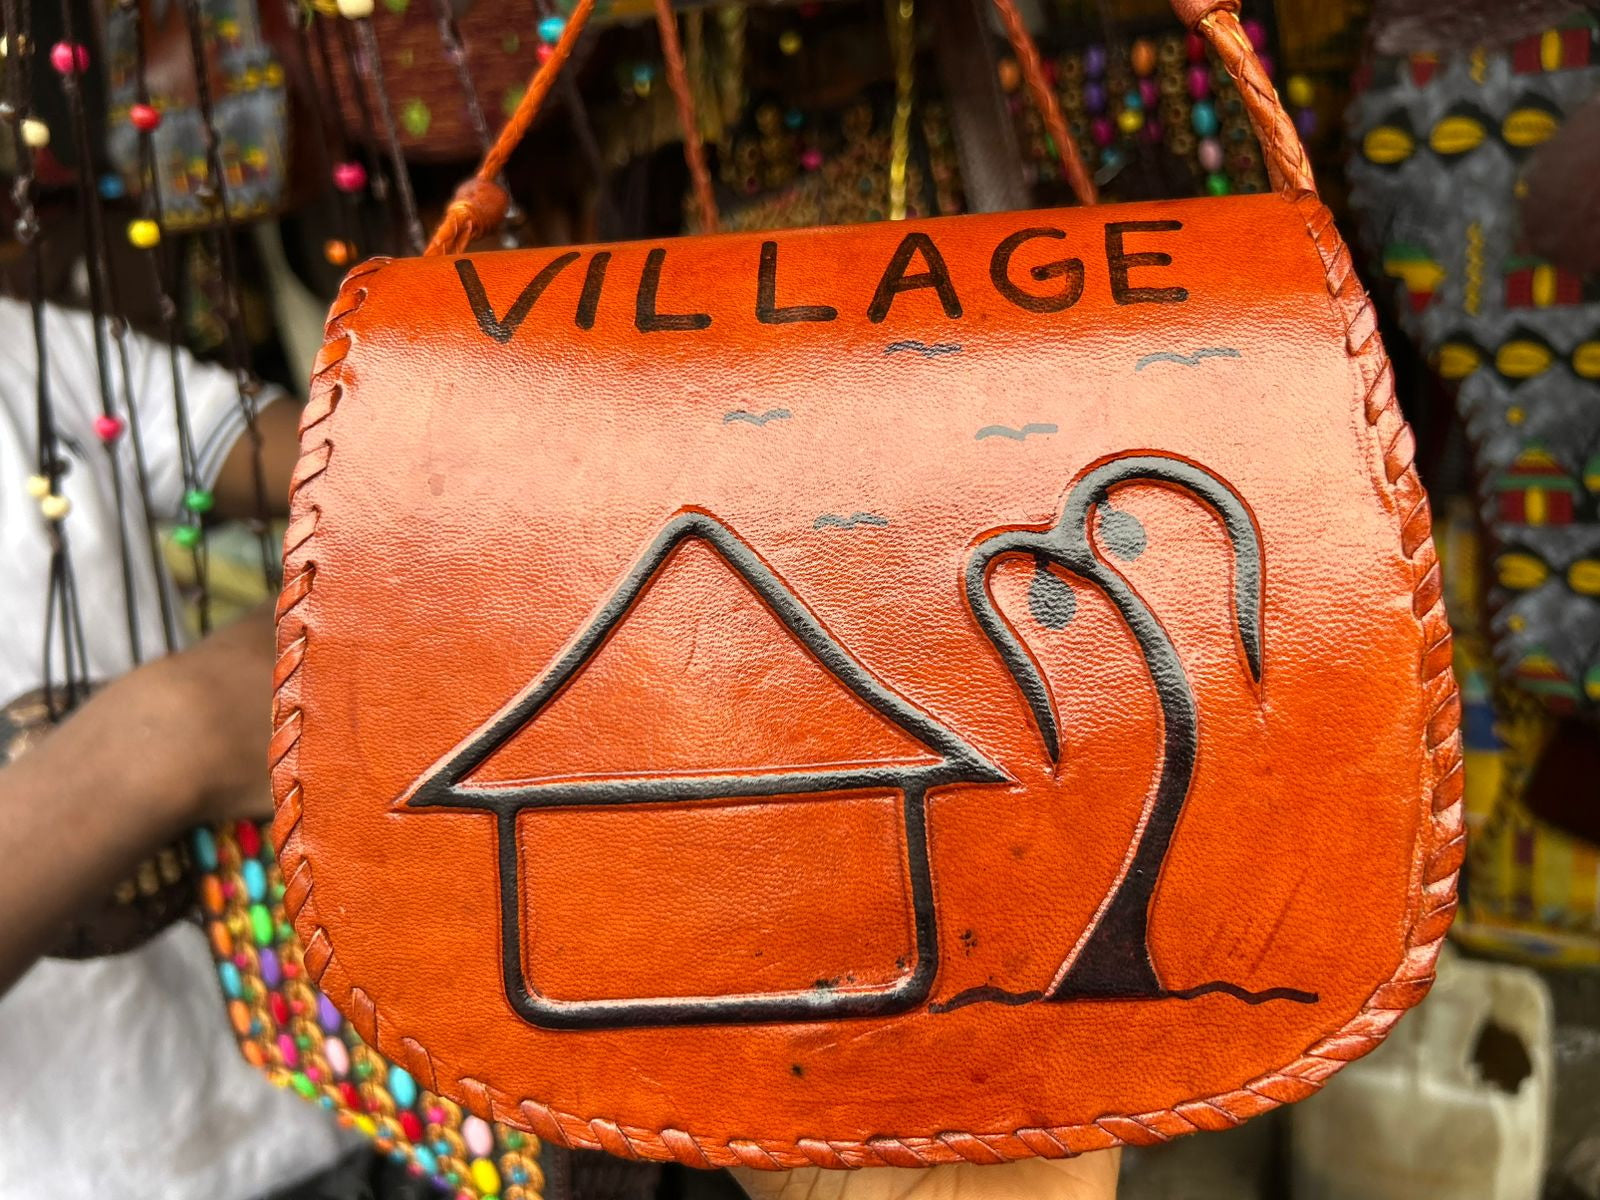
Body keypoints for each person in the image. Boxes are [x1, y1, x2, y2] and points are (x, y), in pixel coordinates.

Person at [0, 295, 1119, 1199]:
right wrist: (161, 742)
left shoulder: (32, 347)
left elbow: (331, 466)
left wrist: (549, 469)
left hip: (360, 1072)